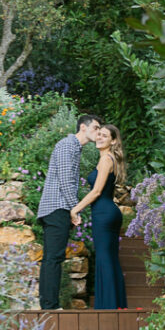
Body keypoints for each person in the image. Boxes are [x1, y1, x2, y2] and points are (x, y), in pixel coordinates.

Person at [37, 114, 101, 310]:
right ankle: (49, 306)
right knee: (53, 258)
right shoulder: (67, 145)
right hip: (57, 207)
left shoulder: (74, 147)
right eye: (96, 128)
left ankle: (49, 304)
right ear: (83, 127)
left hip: (60, 207)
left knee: (54, 257)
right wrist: (75, 209)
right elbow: (66, 181)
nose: (99, 132)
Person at [71, 123, 127, 309]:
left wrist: (76, 209)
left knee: (104, 258)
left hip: (104, 213)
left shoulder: (106, 160)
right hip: (106, 211)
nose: (100, 137)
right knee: (109, 258)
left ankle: (108, 308)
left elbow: (96, 192)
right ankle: (115, 305)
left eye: (105, 135)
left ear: (113, 140)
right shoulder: (107, 158)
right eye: (99, 134)